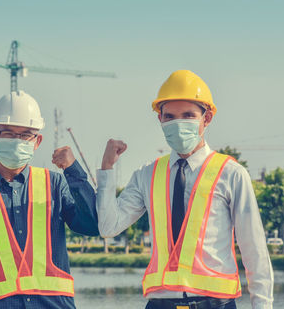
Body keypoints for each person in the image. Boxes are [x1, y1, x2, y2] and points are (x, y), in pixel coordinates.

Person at [96, 70, 273, 309]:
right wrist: (107, 170)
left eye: (188, 115)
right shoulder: (147, 175)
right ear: (160, 119)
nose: (178, 124)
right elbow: (109, 226)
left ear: (207, 118)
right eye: (169, 117)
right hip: (161, 303)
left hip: (215, 304)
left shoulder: (231, 174)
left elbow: (254, 249)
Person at [0, 90, 99, 309]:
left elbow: (93, 225)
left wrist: (73, 172)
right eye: (7, 132)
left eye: (25, 134)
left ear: (37, 141)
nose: (17, 141)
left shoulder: (55, 185)